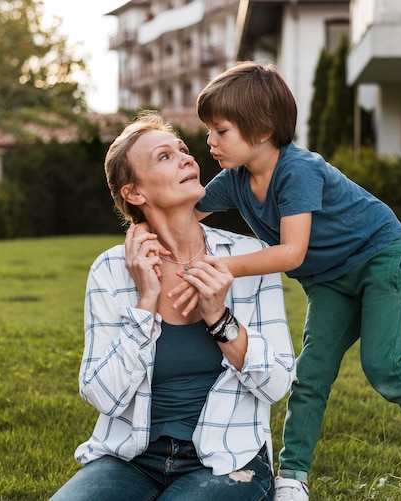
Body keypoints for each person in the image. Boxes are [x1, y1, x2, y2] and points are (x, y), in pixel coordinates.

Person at [171, 61, 401, 501]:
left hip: (379, 257)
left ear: (263, 129)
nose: (209, 141)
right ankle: (292, 478)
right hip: (329, 281)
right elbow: (184, 214)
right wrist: (146, 229)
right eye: (208, 130)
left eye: (221, 130)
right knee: (311, 374)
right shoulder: (234, 182)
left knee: (384, 365)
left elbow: (292, 252)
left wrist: (224, 268)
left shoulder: (297, 170)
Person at [49, 111, 296, 501]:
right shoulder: (111, 271)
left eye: (183, 150)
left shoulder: (250, 258)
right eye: (165, 156)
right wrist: (145, 303)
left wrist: (219, 318)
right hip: (130, 457)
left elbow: (277, 383)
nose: (188, 158)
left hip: (227, 460)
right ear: (134, 193)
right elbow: (104, 395)